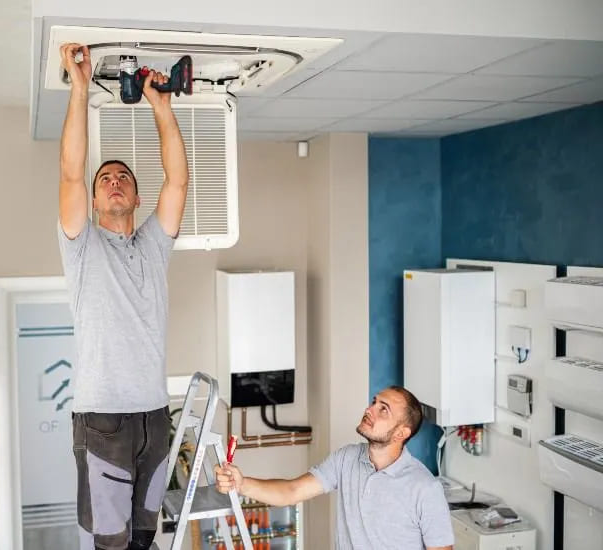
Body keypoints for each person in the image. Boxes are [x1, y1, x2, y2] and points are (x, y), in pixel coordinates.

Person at [57, 43, 189, 550]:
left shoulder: (154, 245)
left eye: (123, 178)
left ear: (135, 198)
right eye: (105, 179)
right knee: (111, 544)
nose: (113, 181)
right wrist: (80, 86)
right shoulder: (81, 246)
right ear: (93, 201)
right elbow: (71, 171)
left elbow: (177, 180)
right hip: (103, 420)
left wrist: (162, 107)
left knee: (144, 538)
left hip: (154, 417)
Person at [215, 386, 455, 550]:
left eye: (384, 409)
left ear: (402, 433)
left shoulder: (425, 488)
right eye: (374, 402)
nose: (369, 410)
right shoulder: (346, 459)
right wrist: (242, 483)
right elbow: (292, 491)